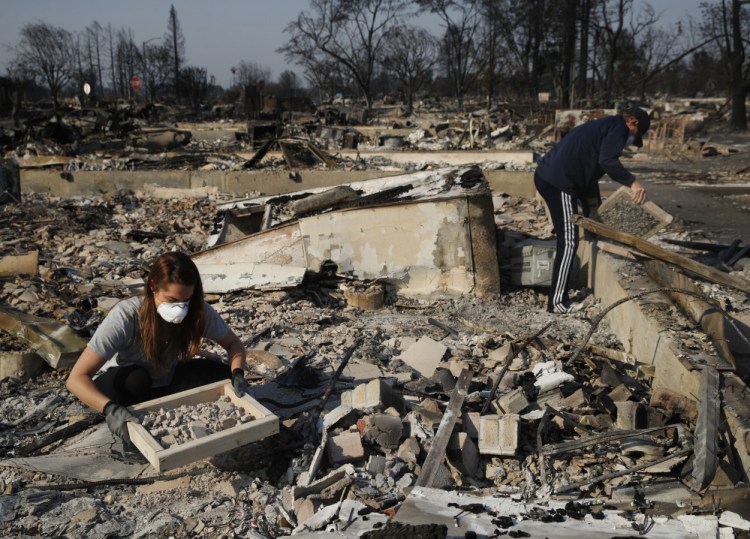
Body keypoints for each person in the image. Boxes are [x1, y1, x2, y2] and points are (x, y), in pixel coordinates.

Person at [66, 251, 249, 444]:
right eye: (172, 300)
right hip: (124, 383)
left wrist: (238, 373)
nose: (180, 308)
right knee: (136, 380)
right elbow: (76, 378)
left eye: (185, 301)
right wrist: (110, 409)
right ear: (153, 286)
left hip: (165, 379)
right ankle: (129, 433)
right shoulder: (127, 316)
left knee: (221, 375)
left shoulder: (197, 311)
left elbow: (233, 344)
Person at [534, 107, 651, 314]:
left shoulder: (605, 125)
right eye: (635, 136)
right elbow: (608, 161)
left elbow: (589, 173)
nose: (629, 142)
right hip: (559, 182)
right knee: (569, 241)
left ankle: (557, 298)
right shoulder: (619, 129)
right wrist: (633, 183)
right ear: (633, 123)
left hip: (550, 176)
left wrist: (593, 214)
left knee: (570, 237)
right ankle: (557, 302)